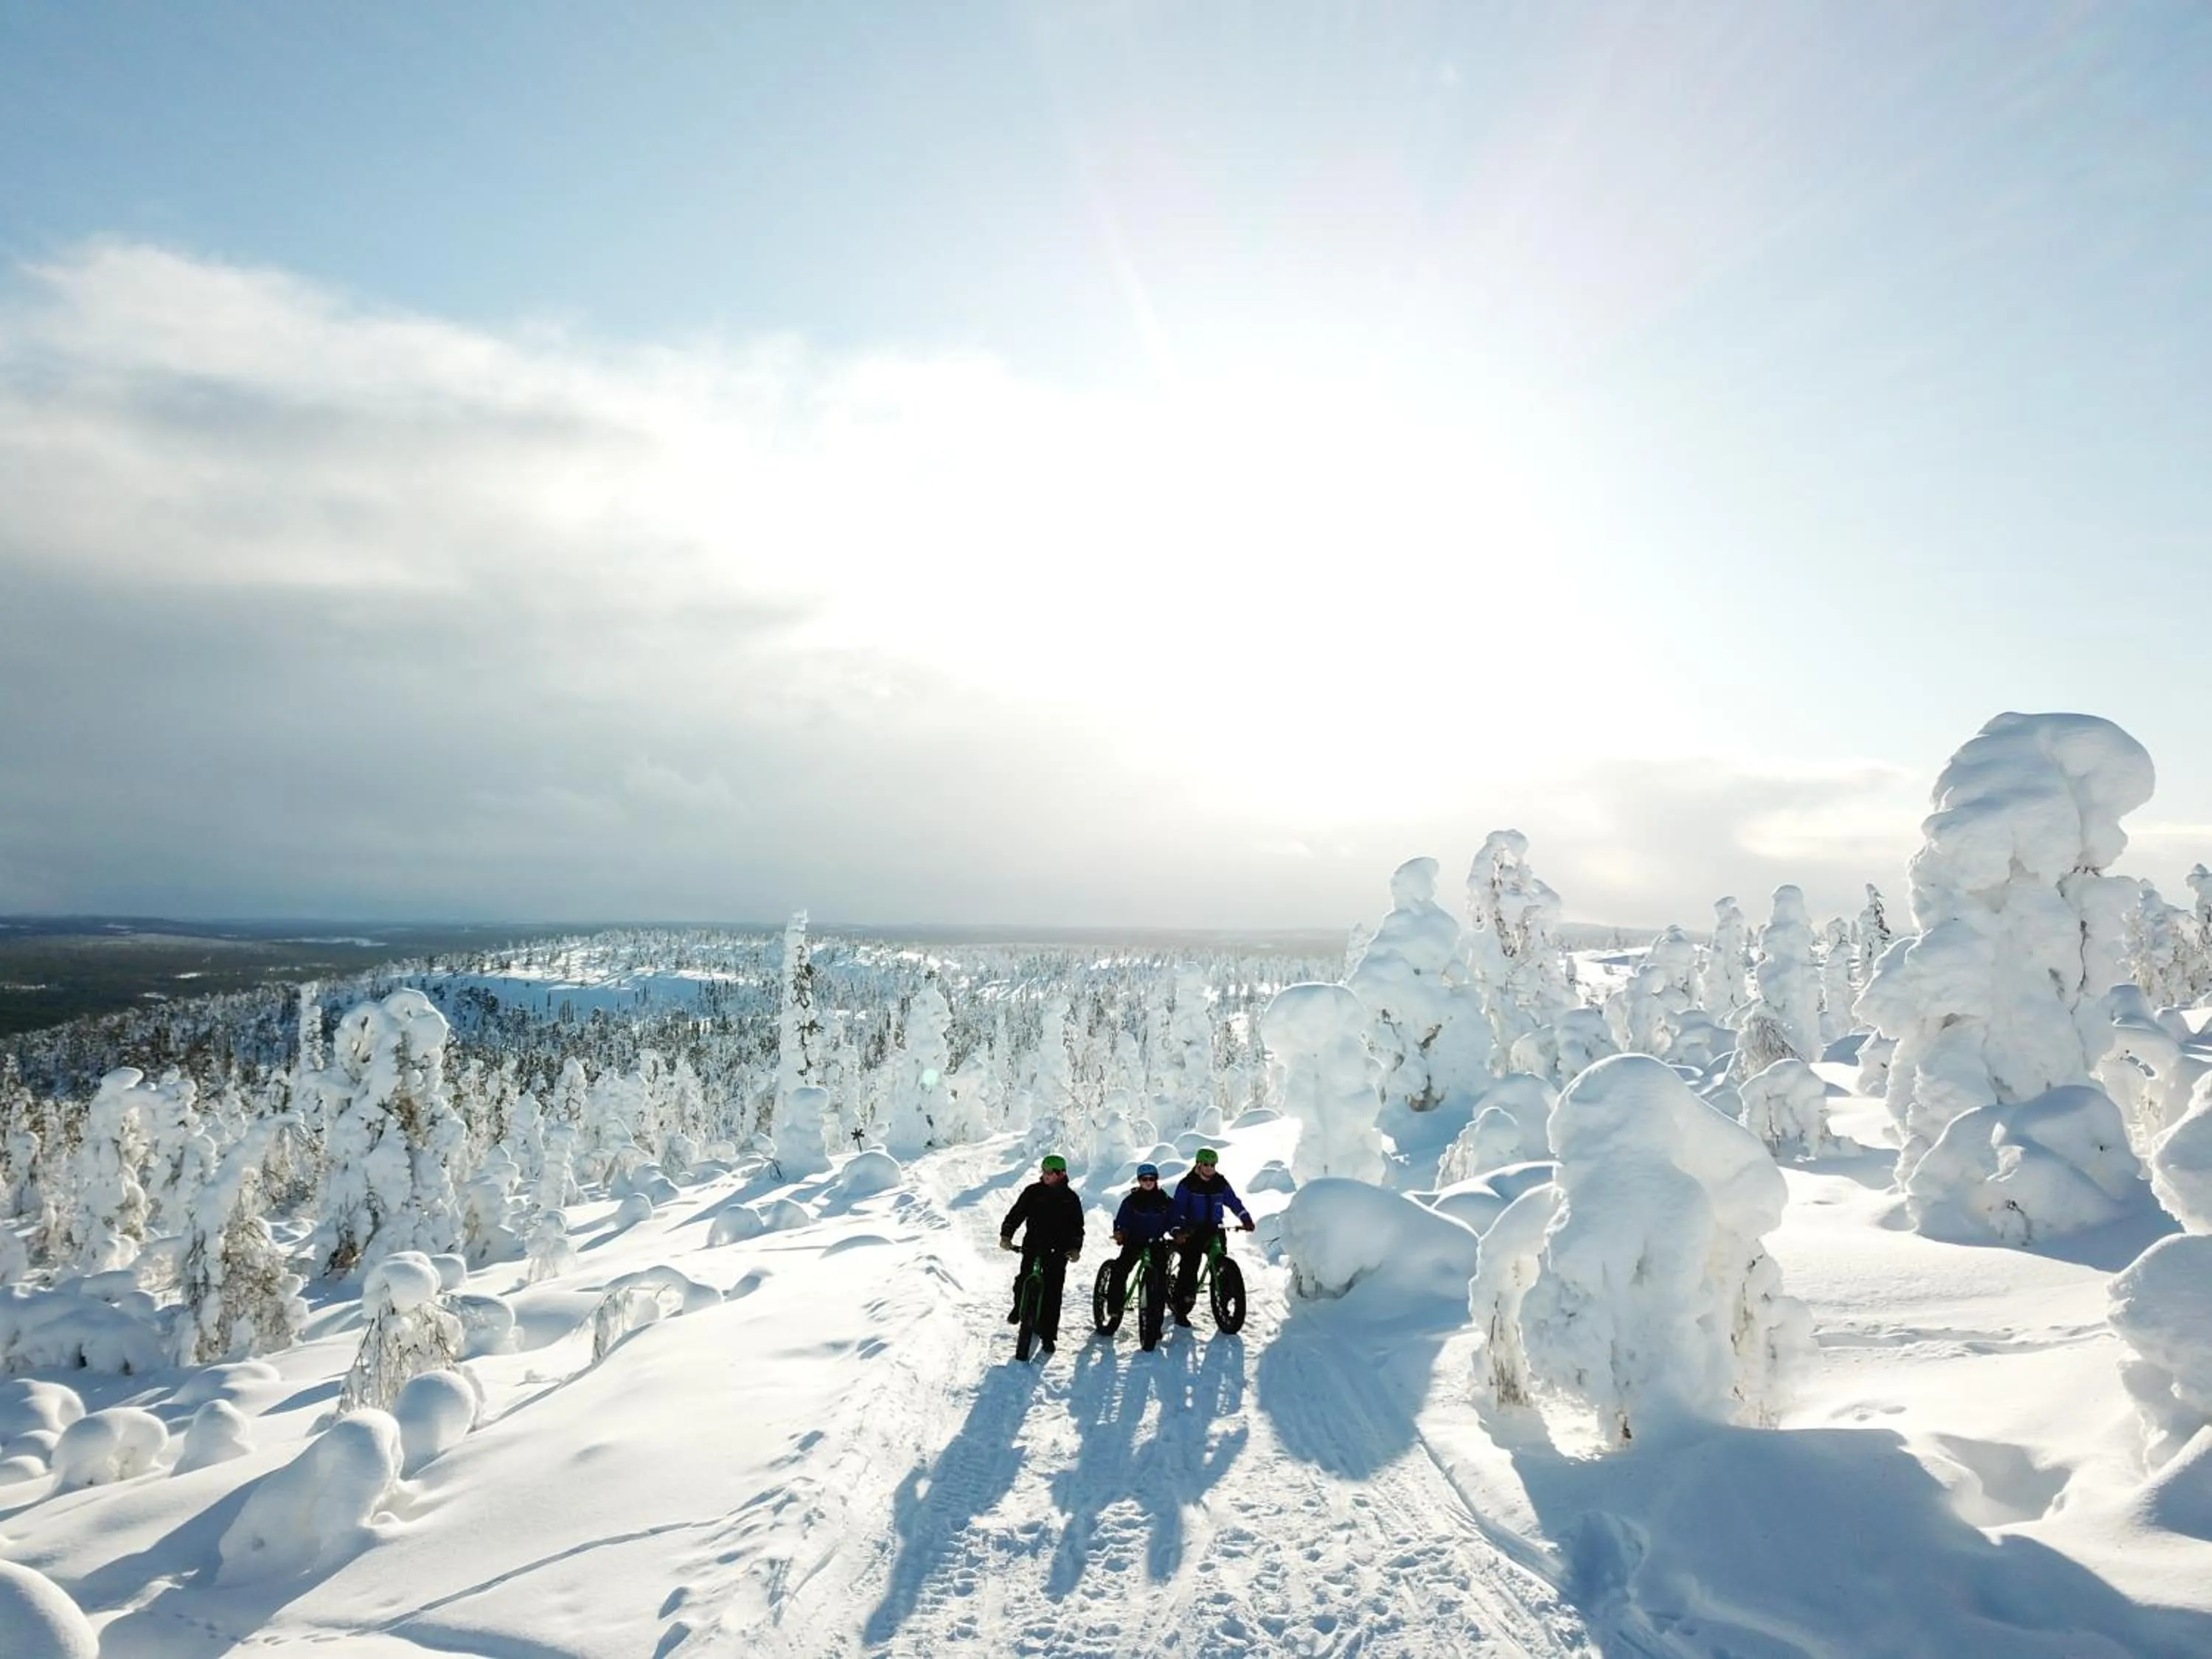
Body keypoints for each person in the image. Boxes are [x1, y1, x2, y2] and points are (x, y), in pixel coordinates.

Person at [999, 1152, 1084, 1354]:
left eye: (1050, 1173)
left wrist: (1075, 1248)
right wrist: (1007, 1235)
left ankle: (1048, 1334)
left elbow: (1077, 1226)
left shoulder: (1070, 1198)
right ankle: (1018, 1306)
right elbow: (1017, 1213)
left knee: (1053, 1293)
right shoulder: (1033, 1192)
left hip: (1058, 1251)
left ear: (1061, 1174)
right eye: (1044, 1172)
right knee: (1022, 1281)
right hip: (1033, 1245)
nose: (1045, 1175)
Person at [1168, 1147, 1253, 1325]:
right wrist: (1179, 1229)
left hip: (1215, 1229)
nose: (1210, 1168)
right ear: (1198, 1165)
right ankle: (1181, 1306)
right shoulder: (1187, 1184)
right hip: (1193, 1231)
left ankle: (1223, 1300)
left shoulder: (1220, 1183)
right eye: (1206, 1164)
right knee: (1190, 1266)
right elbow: (1178, 1208)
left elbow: (1233, 1201)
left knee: (1221, 1265)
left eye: (1213, 1165)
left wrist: (1245, 1218)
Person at [1106, 1162, 1176, 1314]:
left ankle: (1156, 1320)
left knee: (1160, 1281)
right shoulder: (1131, 1201)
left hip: (1156, 1243)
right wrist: (1120, 1232)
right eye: (1144, 1179)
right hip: (1134, 1242)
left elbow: (1173, 1221)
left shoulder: (1165, 1200)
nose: (1148, 1182)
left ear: (1156, 1179)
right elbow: (1122, 1220)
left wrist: (1178, 1232)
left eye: (1151, 1179)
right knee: (1120, 1270)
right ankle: (1114, 1306)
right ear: (1139, 1181)